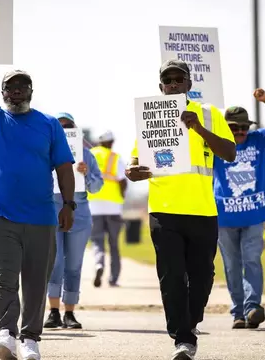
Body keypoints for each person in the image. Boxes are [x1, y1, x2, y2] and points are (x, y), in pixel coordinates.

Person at [0, 65, 76, 360]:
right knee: (4, 278)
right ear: (3, 92)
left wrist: (69, 204)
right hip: (1, 216)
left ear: (31, 91)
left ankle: (30, 338)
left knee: (36, 282)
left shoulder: (49, 124)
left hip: (42, 217)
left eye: (23, 85)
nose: (16, 89)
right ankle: (6, 334)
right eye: (10, 86)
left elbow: (63, 167)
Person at [126, 59, 236, 360]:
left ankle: (190, 322)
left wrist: (198, 127)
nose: (173, 84)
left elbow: (229, 153)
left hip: (202, 211)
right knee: (172, 275)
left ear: (189, 84)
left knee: (202, 277)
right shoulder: (151, 117)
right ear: (161, 87)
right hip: (164, 211)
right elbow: (135, 162)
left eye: (178, 79)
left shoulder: (210, 114)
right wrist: (131, 171)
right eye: (167, 80)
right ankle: (183, 339)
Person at [212, 90, 265, 330]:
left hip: (255, 214)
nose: (240, 132)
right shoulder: (215, 145)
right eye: (234, 128)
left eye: (244, 127)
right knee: (232, 265)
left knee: (252, 260)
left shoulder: (259, 140)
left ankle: (252, 307)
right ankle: (238, 312)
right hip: (224, 216)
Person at [43, 112, 104, 329]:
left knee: (74, 265)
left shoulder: (87, 155)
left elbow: (97, 187)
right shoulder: (45, 151)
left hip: (79, 215)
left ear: (75, 128)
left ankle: (70, 312)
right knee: (55, 262)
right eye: (59, 127)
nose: (64, 130)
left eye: (68, 126)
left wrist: (86, 174)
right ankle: (53, 312)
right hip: (52, 212)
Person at [88, 130, 128, 287]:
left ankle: (99, 265)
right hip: (113, 208)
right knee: (114, 244)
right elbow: (123, 181)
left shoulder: (89, 155)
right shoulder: (115, 158)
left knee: (97, 241)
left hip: (93, 207)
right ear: (111, 142)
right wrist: (122, 197)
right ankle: (113, 278)